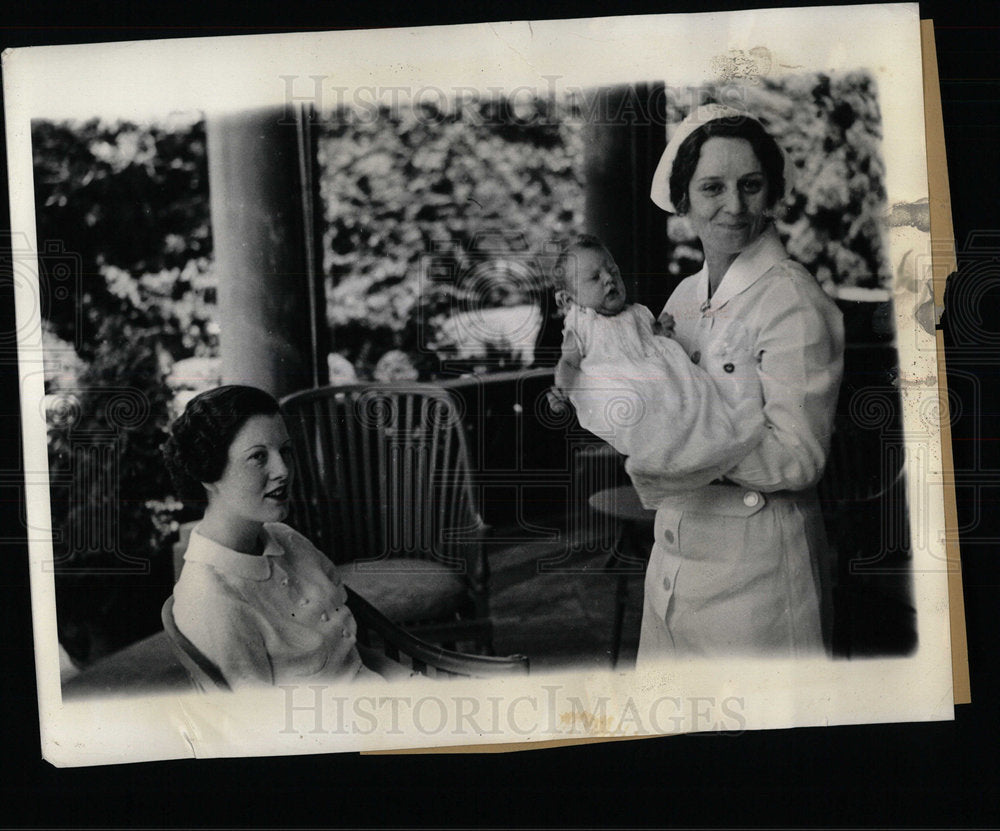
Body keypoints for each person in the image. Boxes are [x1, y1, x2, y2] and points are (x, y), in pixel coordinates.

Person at [559, 104, 844, 659]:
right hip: (673, 561)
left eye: (751, 185)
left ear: (773, 193)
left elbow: (798, 459)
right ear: (684, 200)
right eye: (712, 187)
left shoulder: (791, 299)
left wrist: (679, 435)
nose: (734, 206)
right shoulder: (683, 300)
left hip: (757, 576)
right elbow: (643, 404)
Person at [163, 385, 391, 689]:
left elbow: (353, 655)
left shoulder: (285, 539)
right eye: (258, 457)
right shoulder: (211, 597)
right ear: (209, 471)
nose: (283, 470)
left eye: (285, 451)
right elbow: (260, 727)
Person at [553, 233, 762, 468]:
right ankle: (671, 455)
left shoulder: (637, 312)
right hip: (621, 383)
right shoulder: (582, 323)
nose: (608, 279)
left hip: (658, 375)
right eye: (594, 277)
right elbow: (569, 362)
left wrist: (660, 330)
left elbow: (650, 340)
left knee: (696, 391)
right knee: (644, 413)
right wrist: (563, 390)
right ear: (568, 300)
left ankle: (709, 437)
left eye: (613, 271)